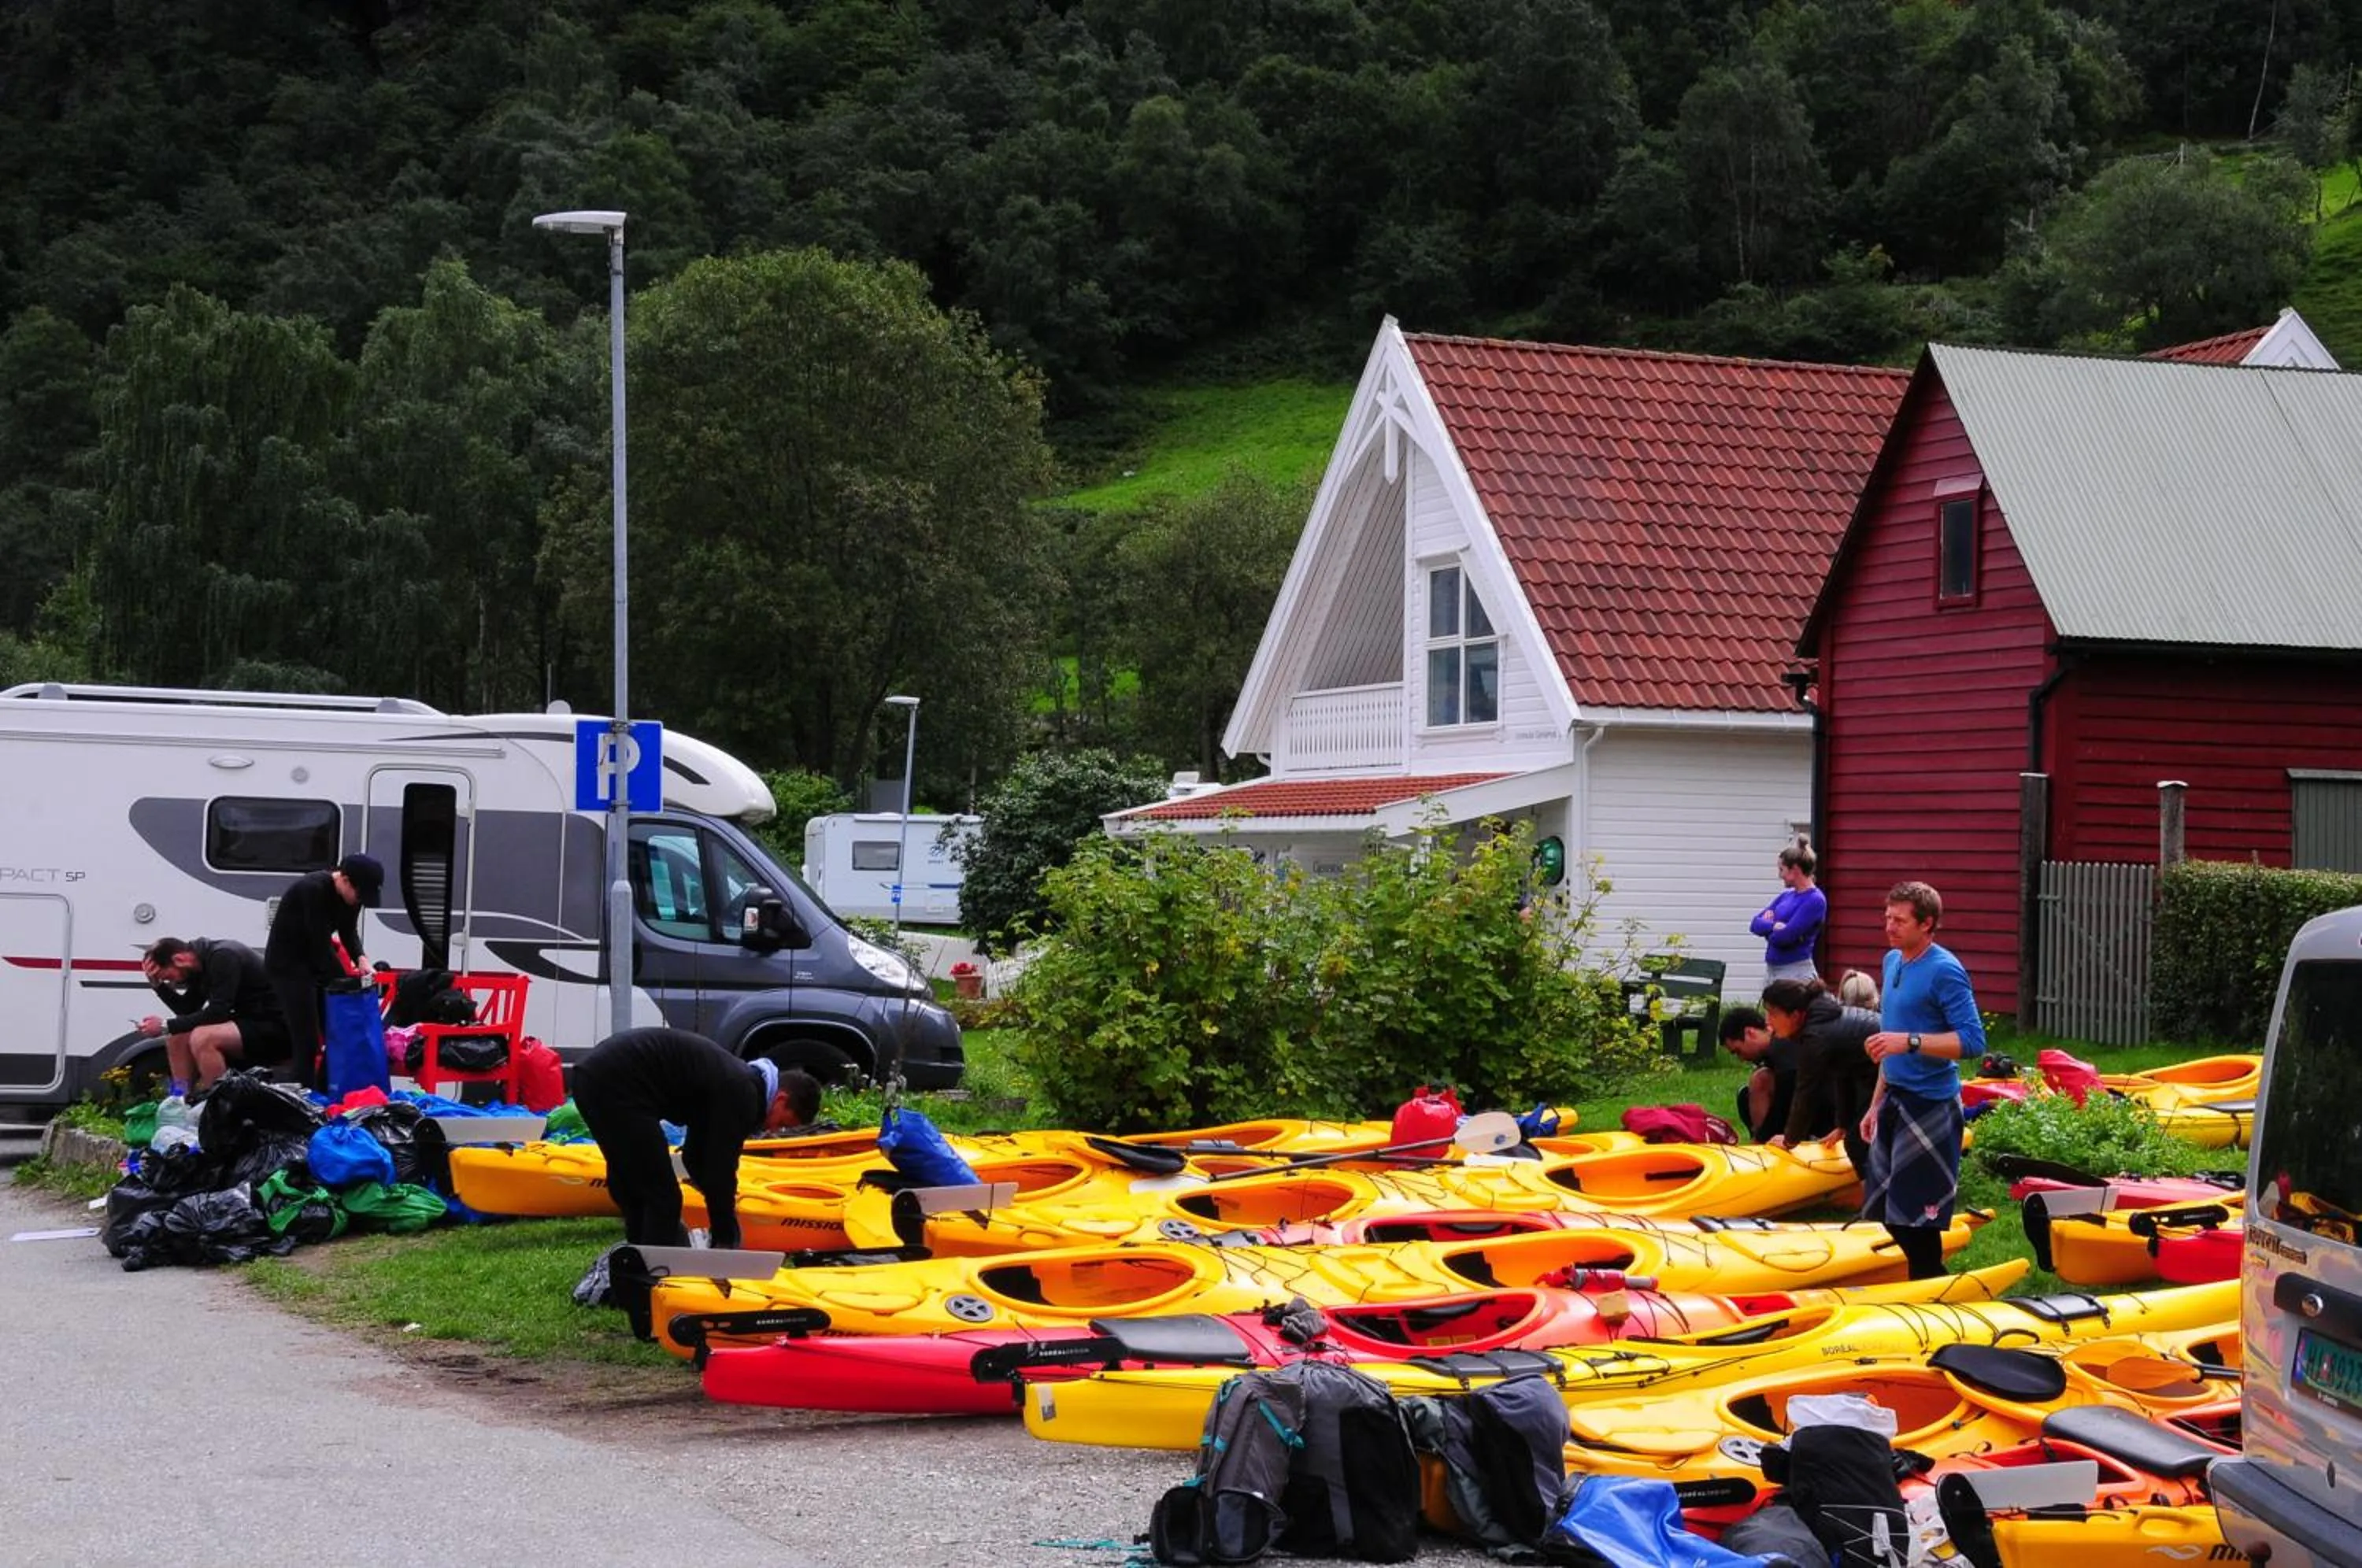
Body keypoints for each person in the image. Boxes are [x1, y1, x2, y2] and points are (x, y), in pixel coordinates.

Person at [570, 1026, 822, 1248]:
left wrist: (712, 1193)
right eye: (782, 1124)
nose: (773, 1131)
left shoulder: (736, 1081)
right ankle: (656, 1282)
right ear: (781, 1099)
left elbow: (695, 1158)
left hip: (592, 1076)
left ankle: (639, 1259)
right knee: (662, 1197)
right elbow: (720, 1169)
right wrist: (726, 1236)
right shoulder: (742, 1094)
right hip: (616, 1084)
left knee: (631, 1183)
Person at [1860, 881, 1983, 1280]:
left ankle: (1932, 1284)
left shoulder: (1945, 971)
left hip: (1931, 1104)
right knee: (1885, 1209)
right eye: (1887, 917)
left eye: (1899, 920)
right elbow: (1888, 1045)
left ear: (1927, 924)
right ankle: (1931, 1280)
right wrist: (1875, 1103)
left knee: (1918, 1216)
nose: (1889, 927)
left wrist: (1910, 1042)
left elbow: (1972, 1042)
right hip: (1895, 1098)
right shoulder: (1892, 961)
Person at [262, 852, 381, 1086]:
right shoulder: (312, 889)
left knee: (338, 1030)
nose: (359, 901)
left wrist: (362, 958)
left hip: (314, 964)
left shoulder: (350, 899)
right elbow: (319, 942)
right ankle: (304, 1094)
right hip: (288, 967)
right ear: (345, 880)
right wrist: (345, 982)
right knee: (306, 1039)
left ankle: (329, 1087)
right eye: (359, 895)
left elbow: (348, 931)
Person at [137, 935, 291, 1094]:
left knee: (203, 1037)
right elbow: (187, 1009)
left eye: (168, 977)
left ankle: (219, 1104)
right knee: (177, 1036)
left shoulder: (223, 956)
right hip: (248, 1022)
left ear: (179, 959)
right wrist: (159, 987)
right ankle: (180, 1098)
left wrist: (164, 1026)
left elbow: (218, 1012)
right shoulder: (199, 964)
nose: (173, 982)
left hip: (275, 1025)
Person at [1760, 975, 1879, 1172]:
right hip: (1877, 1075)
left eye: (1773, 1014)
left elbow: (1806, 1093)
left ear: (1795, 1015)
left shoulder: (1816, 1036)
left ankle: (1874, 1197)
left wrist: (1790, 1140)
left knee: (1858, 1143)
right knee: (1856, 1138)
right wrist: (1842, 1124)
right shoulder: (1820, 1021)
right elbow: (1842, 1072)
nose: (1768, 1022)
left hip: (1897, 1074)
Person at [1749, 837, 1827, 983]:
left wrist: (1768, 930)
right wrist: (1773, 926)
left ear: (1795, 870)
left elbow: (1784, 937)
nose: (1780, 875)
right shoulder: (1786, 896)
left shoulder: (1815, 900)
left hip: (1795, 973)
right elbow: (1754, 924)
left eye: (1782, 869)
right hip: (1773, 971)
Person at [1718, 1005, 1793, 1144]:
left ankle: (1762, 1148)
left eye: (1738, 1051)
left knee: (1760, 1079)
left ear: (1750, 1033)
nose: (1741, 1059)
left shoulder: (1784, 1050)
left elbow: (1784, 1100)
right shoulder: (1777, 1047)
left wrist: (1761, 1139)